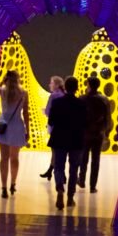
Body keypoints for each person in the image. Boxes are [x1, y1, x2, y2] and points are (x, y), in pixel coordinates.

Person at [46, 76, 87, 210]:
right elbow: (85, 123)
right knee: (74, 168)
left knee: (58, 167)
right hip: (76, 139)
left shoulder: (57, 103)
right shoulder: (81, 104)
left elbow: (51, 121)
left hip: (59, 139)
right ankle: (70, 197)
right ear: (76, 88)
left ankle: (59, 190)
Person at [0, 70, 30, 199]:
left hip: (4, 124)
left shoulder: (2, 91)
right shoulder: (23, 93)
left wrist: (3, 80)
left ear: (7, 79)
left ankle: (3, 187)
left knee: (4, 158)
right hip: (17, 126)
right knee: (15, 158)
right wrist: (27, 130)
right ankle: (13, 183)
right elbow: (26, 113)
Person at [78, 76, 113, 193]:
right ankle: (93, 186)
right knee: (96, 160)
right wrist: (107, 132)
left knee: (83, 157)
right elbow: (108, 118)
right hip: (98, 133)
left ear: (88, 85)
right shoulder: (104, 99)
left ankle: (81, 180)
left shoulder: (82, 99)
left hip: (85, 133)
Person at [39, 76, 65, 180]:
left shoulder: (53, 96)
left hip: (54, 127)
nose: (50, 85)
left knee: (55, 150)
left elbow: (48, 112)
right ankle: (52, 171)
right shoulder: (65, 94)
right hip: (64, 127)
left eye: (51, 83)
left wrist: (44, 111)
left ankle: (58, 174)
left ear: (56, 85)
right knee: (60, 151)